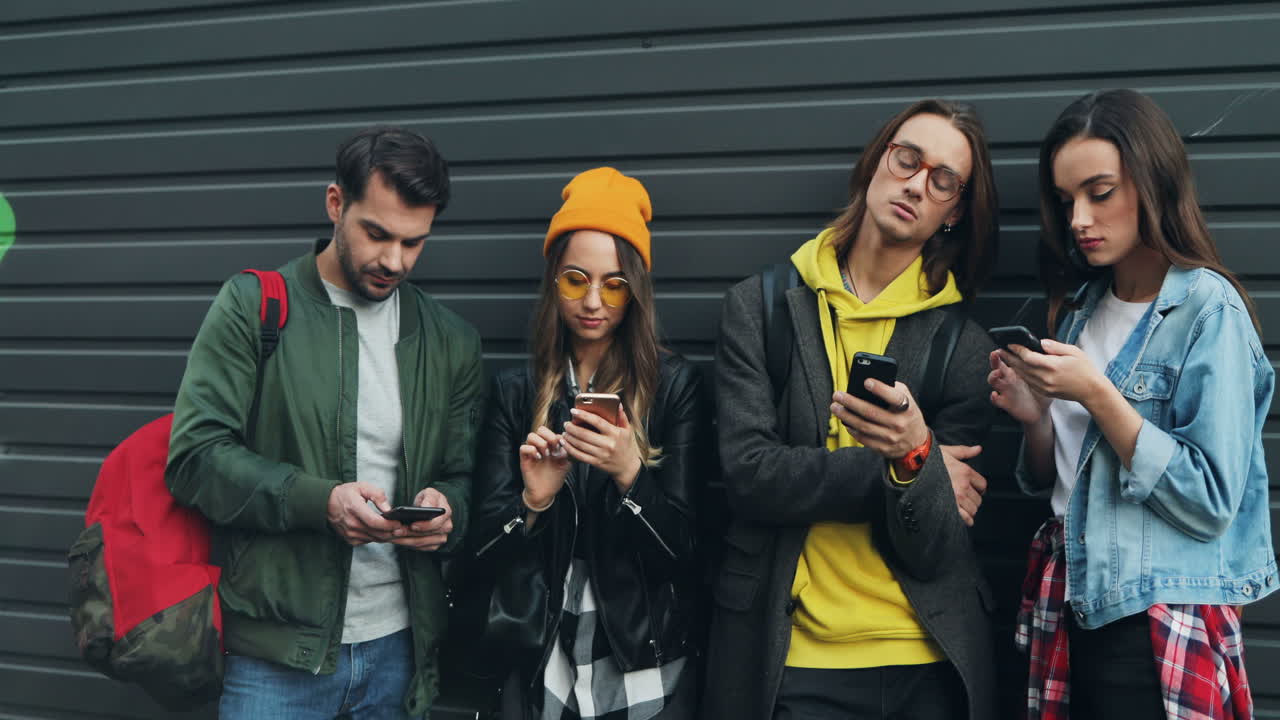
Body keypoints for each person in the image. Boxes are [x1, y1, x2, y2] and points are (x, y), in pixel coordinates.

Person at [166, 127, 485, 719]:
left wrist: (449, 511)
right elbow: (194, 459)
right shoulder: (252, 307)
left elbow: (466, 477)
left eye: (414, 243)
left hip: (400, 650)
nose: (394, 260)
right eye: (377, 233)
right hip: (275, 657)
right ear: (336, 204)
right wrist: (322, 502)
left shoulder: (451, 342)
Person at [705, 99, 1001, 719]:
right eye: (908, 159)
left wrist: (914, 451)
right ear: (876, 162)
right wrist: (912, 467)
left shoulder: (964, 346)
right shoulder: (759, 309)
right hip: (795, 662)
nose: (918, 184)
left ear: (952, 214)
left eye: (943, 180)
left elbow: (938, 546)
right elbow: (751, 476)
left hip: (925, 660)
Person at [990, 88, 1275, 720]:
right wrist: (1035, 418)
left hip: (1154, 620)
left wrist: (1096, 391)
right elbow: (1055, 483)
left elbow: (1209, 501)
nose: (1079, 220)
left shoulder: (1207, 310)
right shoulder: (1081, 310)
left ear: (1153, 182)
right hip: (1064, 604)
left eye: (1100, 192)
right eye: (1066, 201)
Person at [471, 167, 708, 720]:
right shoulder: (516, 391)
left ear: (636, 290)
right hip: (542, 647)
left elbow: (689, 555)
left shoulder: (675, 388)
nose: (594, 301)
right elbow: (479, 552)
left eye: (614, 284)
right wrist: (533, 503)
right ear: (555, 280)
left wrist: (631, 475)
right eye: (577, 280)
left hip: (640, 651)